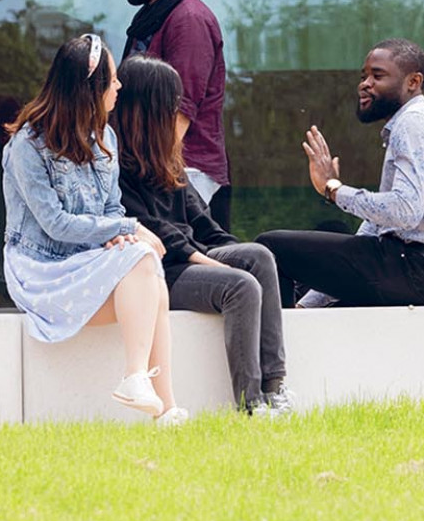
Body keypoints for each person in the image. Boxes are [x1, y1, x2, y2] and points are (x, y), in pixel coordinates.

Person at [2, 33, 185, 425]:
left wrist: (121, 232)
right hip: (41, 269)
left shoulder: (106, 138)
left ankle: (165, 408)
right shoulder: (27, 145)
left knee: (150, 270)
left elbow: (110, 208)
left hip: (86, 261)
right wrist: (127, 228)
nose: (119, 87)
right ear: (90, 88)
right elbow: (54, 223)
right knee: (142, 256)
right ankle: (136, 378)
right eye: (112, 79)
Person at [113, 54, 293, 416]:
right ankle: (251, 403)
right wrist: (212, 263)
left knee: (258, 256)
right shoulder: (114, 165)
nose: (180, 115)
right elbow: (159, 234)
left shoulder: (168, 160)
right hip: (162, 273)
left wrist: (237, 254)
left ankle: (276, 388)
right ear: (149, 109)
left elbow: (206, 226)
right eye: (172, 105)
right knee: (240, 286)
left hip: (193, 259)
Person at [257, 39, 424, 308]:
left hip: (421, 269)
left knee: (270, 249)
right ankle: (293, 324)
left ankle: (274, 347)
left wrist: (332, 189)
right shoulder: (413, 125)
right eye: (364, 75)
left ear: (413, 82)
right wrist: (308, 305)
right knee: (327, 314)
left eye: (377, 76)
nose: (365, 83)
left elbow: (405, 210)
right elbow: (375, 230)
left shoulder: (416, 122)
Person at [121, 0, 230, 228]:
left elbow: (181, 107)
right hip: (153, 169)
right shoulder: (153, 17)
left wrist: (154, 179)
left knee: (183, 268)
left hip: (181, 173)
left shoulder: (189, 19)